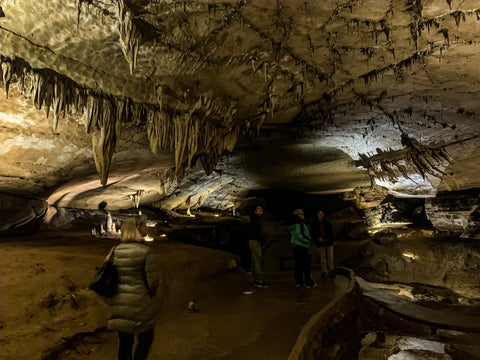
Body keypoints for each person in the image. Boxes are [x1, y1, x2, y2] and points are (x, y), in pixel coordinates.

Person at [107, 215, 160, 360]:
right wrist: (150, 294)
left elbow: (108, 276)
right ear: (137, 228)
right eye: (144, 225)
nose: (147, 228)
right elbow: (153, 281)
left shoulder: (115, 250)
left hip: (120, 304)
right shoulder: (145, 252)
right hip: (140, 303)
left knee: (125, 342)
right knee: (145, 338)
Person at [288, 209, 316, 288]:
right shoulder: (299, 224)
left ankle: (299, 281)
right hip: (302, 246)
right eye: (302, 214)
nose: (303, 215)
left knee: (298, 265)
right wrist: (307, 240)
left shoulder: (294, 225)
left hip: (296, 246)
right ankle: (308, 281)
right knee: (305, 264)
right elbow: (299, 234)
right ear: (298, 215)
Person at [248, 204, 270, 288]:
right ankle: (259, 280)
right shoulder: (255, 220)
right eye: (259, 209)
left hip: (254, 241)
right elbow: (256, 232)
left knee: (254, 261)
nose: (261, 210)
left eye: (261, 208)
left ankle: (256, 279)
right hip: (255, 241)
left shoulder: (255, 219)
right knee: (257, 260)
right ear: (255, 211)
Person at [310, 210, 335, 279]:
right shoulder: (314, 223)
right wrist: (318, 238)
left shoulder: (327, 222)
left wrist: (328, 238)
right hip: (319, 243)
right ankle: (324, 271)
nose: (320, 216)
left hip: (328, 242)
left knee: (330, 256)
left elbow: (331, 231)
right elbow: (313, 232)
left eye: (321, 214)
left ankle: (331, 269)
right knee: (322, 257)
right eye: (319, 214)